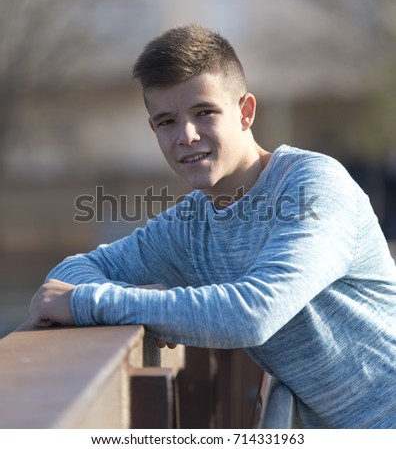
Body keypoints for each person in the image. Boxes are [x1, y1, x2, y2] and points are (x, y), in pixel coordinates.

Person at [29, 24, 396, 429]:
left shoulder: (313, 186)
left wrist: (95, 303)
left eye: (204, 112)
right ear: (154, 129)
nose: (186, 136)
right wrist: (135, 297)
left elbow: (254, 314)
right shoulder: (190, 224)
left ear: (245, 112)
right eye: (167, 121)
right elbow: (65, 275)